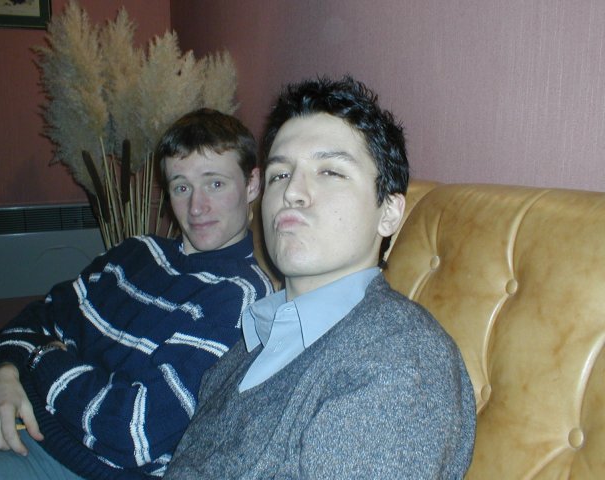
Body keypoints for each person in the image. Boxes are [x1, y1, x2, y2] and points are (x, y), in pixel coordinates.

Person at [164, 77, 476, 479]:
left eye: (330, 171)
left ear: (389, 213)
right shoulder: (254, 338)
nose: (292, 192)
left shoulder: (399, 361)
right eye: (280, 174)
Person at [0, 108, 274, 479]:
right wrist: (2, 371)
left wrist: (41, 356)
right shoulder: (136, 252)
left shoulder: (240, 297)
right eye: (181, 187)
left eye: (215, 184)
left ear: (252, 184)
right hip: (7, 396)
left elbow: (133, 431)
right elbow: (40, 317)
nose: (196, 207)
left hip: (70, 461)